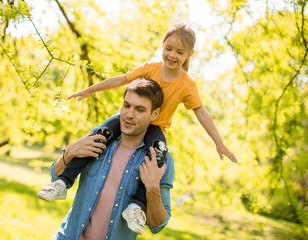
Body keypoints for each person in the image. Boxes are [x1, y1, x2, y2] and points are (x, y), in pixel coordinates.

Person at [38, 21, 238, 234]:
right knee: (97, 137)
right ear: (162, 46)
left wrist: (219, 142)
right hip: (123, 121)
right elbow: (122, 79)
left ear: (189, 54)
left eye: (179, 52)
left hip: (155, 127)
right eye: (168, 48)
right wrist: (90, 90)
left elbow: (201, 112)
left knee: (157, 158)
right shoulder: (150, 68)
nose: (172, 55)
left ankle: (136, 206)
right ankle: (63, 182)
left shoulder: (187, 85)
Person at [41, 78, 175, 239]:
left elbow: (157, 225)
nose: (129, 115)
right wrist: (68, 153)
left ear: (155, 114)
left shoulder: (161, 161)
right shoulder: (98, 138)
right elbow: (55, 177)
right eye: (126, 105)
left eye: (139, 110)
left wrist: (152, 188)